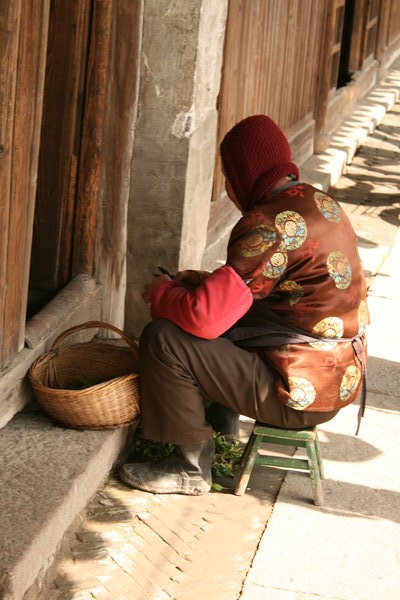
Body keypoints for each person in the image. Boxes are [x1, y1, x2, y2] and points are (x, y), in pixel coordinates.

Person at [120, 115, 368, 496]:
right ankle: (222, 429)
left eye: (228, 176)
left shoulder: (266, 223)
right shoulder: (317, 201)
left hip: (298, 394)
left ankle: (188, 468)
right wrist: (203, 282)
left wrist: (161, 294)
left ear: (241, 175)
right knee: (227, 322)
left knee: (165, 338)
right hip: (335, 380)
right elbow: (269, 288)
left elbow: (205, 319)